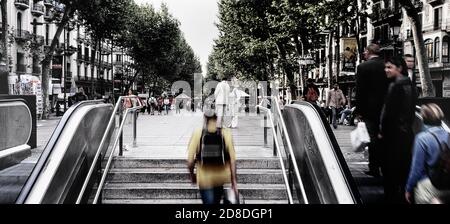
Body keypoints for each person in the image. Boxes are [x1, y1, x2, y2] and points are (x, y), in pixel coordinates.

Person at [379, 56, 417, 203]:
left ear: (399, 68)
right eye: (386, 67)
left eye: (389, 67)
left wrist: (382, 132)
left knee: (390, 172)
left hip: (393, 136)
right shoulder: (411, 86)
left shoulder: (395, 86)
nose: (386, 70)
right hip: (407, 133)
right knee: (403, 169)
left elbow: (388, 113)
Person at [187, 100, 238, 204]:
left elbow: (190, 161)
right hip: (221, 178)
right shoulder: (226, 133)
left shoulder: (198, 133)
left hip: (204, 179)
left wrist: (192, 175)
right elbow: (232, 160)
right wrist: (234, 182)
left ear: (205, 117)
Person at [355, 43, 390, 177]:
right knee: (385, 137)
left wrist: (359, 110)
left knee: (373, 138)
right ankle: (385, 165)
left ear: (369, 52)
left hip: (369, 110)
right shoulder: (386, 65)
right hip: (386, 108)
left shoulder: (363, 67)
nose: (363, 54)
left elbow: (360, 91)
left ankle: (374, 167)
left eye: (364, 51)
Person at [405, 104, 450, 204]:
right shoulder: (448, 135)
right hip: (448, 183)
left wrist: (408, 188)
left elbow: (416, 169)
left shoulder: (422, 138)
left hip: (431, 185)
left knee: (421, 194)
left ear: (424, 118)